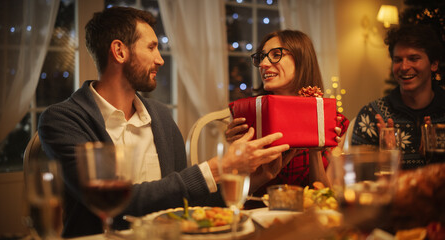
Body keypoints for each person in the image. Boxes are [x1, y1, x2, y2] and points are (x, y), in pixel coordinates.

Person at [38, 7, 290, 238]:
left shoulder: (161, 117)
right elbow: (116, 204)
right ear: (119, 51)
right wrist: (217, 167)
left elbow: (185, 206)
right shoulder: (62, 120)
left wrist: (252, 179)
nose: (160, 59)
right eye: (151, 47)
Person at [225, 30, 349, 192]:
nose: (263, 64)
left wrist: (315, 153)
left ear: (301, 59)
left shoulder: (333, 122)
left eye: (276, 55)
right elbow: (233, 192)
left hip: (307, 214)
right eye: (261, 57)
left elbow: (326, 199)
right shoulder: (251, 116)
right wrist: (235, 152)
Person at [351, 24, 445, 169]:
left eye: (413, 58)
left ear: (434, 64)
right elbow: (359, 181)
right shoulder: (371, 115)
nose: (404, 67)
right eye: (398, 60)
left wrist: (437, 161)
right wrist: (388, 161)